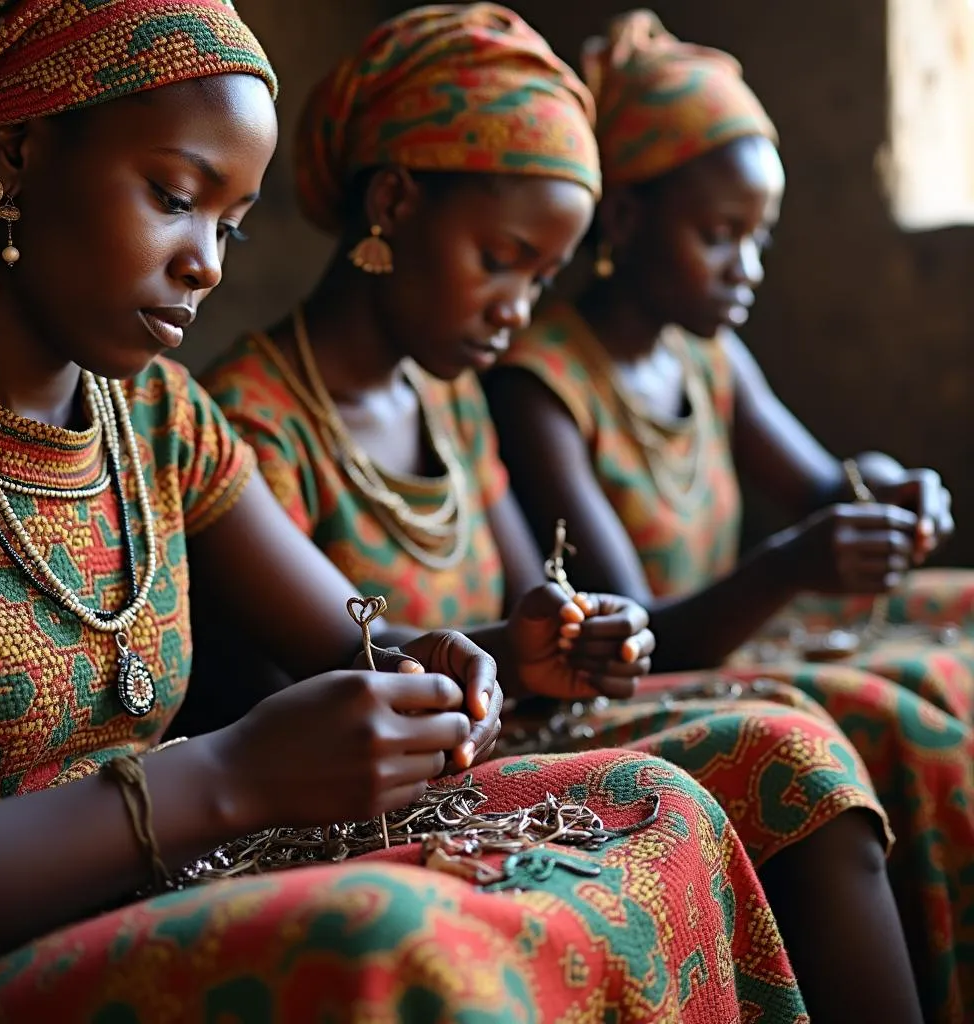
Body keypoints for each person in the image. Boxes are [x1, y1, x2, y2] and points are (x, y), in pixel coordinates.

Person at [0, 3, 803, 1022]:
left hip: (171, 867)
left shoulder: (158, 416)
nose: (207, 263)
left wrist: (489, 656)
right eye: (174, 197)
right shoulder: (244, 404)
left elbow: (355, 641)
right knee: (392, 947)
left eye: (229, 224)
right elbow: (236, 759)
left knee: (653, 803)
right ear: (17, 144)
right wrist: (219, 780)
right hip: (11, 937)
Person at [202, 5, 924, 1020]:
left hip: (490, 731)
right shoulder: (250, 419)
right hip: (359, 787)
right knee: (776, 754)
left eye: (540, 277)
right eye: (500, 258)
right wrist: (513, 659)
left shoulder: (446, 396)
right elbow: (282, 689)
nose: (515, 306)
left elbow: (532, 602)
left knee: (799, 751)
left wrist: (570, 634)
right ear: (396, 201)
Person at [485, 10, 974, 1021]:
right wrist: (793, 561)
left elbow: (822, 486)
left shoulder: (709, 357)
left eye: (757, 238)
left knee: (959, 619)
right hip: (666, 658)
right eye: (718, 236)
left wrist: (883, 488)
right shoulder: (544, 385)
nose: (745, 267)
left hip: (738, 626)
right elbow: (637, 630)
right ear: (620, 224)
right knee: (892, 700)